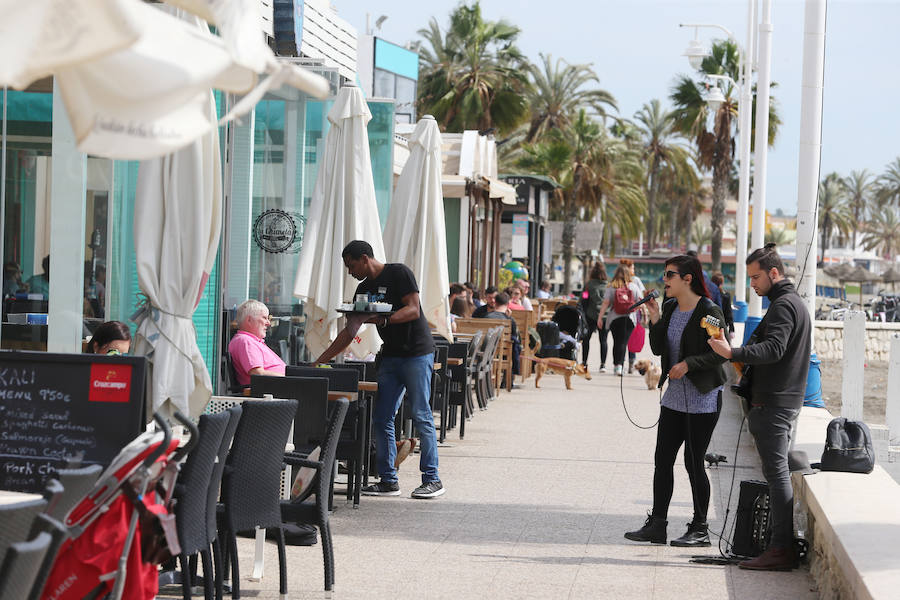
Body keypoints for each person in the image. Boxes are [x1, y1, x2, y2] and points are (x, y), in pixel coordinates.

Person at [708, 243, 811, 571]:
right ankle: (779, 546)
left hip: (774, 403)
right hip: (781, 401)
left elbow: (774, 349)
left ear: (774, 273)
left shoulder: (784, 306)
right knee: (777, 472)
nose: (752, 284)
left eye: (756, 277)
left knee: (777, 474)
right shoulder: (792, 304)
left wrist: (732, 353)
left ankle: (780, 549)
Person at [314, 240, 444, 499]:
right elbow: (350, 331)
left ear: (365, 258)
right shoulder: (363, 289)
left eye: (352, 266)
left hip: (417, 353)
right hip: (391, 357)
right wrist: (320, 360)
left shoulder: (399, 273)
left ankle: (432, 479)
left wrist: (383, 320)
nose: (350, 272)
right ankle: (388, 480)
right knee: (382, 418)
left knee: (421, 414)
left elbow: (413, 309)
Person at [624, 255, 727, 547]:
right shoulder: (669, 307)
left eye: (669, 275)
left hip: (703, 398)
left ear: (687, 279)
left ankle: (700, 528)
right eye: (665, 274)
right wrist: (655, 317)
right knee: (662, 460)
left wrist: (688, 364)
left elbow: (721, 352)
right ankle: (657, 525)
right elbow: (658, 348)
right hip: (674, 398)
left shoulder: (709, 311)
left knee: (694, 463)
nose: (664, 280)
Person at [596, 265, 643, 376]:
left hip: (614, 318)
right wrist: (633, 309)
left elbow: (606, 303)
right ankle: (620, 366)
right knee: (624, 343)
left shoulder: (611, 286)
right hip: (629, 319)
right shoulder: (633, 286)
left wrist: (600, 317)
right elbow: (641, 302)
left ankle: (617, 366)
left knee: (616, 342)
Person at [227, 299, 286, 387]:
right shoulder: (246, 341)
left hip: (279, 387)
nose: (268, 323)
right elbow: (258, 373)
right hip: (271, 390)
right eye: (264, 318)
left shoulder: (250, 340)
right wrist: (289, 378)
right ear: (249, 320)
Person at [479, 291, 521, 376]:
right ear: (508, 304)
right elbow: (515, 336)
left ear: (495, 303)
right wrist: (509, 317)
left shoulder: (485, 316)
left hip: (486, 348)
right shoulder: (509, 320)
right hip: (503, 350)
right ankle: (508, 376)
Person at [581, 262, 609, 372]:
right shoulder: (608, 285)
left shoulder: (588, 285)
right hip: (605, 316)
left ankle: (584, 362)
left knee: (586, 339)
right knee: (603, 340)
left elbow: (584, 299)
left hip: (591, 315)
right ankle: (603, 365)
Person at [620, 258, 645, 374]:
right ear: (628, 268)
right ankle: (631, 363)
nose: (633, 269)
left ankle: (621, 364)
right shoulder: (636, 280)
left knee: (622, 340)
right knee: (632, 339)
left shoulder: (617, 280)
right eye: (632, 267)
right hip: (634, 314)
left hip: (620, 314)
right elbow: (642, 297)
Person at [710, 272, 735, 341]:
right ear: (722, 283)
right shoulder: (726, 296)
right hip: (722, 326)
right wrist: (732, 329)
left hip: (709, 325)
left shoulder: (708, 295)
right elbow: (729, 313)